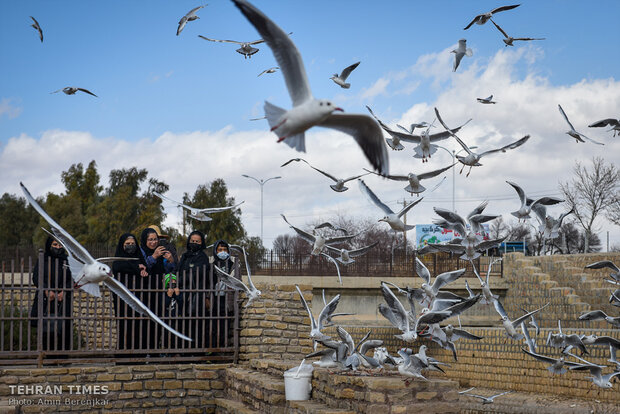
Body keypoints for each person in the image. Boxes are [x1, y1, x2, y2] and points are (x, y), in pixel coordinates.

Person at [30, 236, 73, 353]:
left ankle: (63, 357)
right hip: (46, 299)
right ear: (49, 245)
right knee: (46, 328)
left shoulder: (67, 260)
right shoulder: (43, 258)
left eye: (60, 245)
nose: (58, 248)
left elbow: (73, 278)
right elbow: (37, 276)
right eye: (55, 245)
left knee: (64, 328)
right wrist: (46, 290)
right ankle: (46, 356)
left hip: (63, 299)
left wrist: (64, 291)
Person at [140, 227, 176, 351]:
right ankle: (143, 350)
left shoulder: (160, 252)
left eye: (155, 239)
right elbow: (143, 266)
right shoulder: (141, 252)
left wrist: (170, 260)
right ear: (145, 240)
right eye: (150, 240)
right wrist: (154, 256)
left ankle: (155, 349)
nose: (153, 242)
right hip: (143, 291)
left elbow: (168, 270)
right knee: (144, 322)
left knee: (158, 320)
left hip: (158, 291)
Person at [111, 233, 147, 352]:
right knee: (124, 324)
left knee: (138, 326)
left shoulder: (139, 257)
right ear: (122, 245)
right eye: (127, 244)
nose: (130, 246)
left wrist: (142, 269)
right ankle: (123, 353)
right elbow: (117, 266)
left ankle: (138, 353)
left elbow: (145, 268)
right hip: (122, 298)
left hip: (138, 296)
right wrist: (137, 268)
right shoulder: (118, 258)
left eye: (132, 244)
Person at [177, 231, 210, 349]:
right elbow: (178, 271)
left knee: (196, 323)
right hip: (183, 294)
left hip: (197, 295)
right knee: (183, 322)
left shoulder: (203, 258)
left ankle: (196, 350)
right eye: (192, 241)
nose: (194, 243)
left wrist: (181, 279)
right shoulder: (185, 256)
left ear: (202, 243)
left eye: (197, 241)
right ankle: (183, 349)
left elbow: (197, 273)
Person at [211, 239, 234, 348]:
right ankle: (213, 349)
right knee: (213, 326)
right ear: (215, 251)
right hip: (214, 300)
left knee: (225, 326)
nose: (223, 252)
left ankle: (223, 349)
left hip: (227, 300)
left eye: (225, 249)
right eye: (220, 250)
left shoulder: (232, 265)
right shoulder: (212, 265)